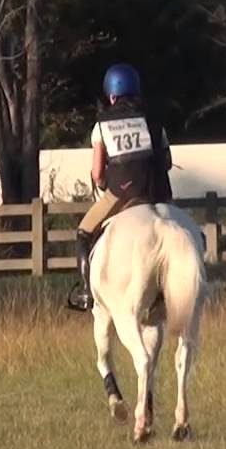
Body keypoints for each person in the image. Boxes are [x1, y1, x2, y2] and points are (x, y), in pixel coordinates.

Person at [66, 63, 174, 312]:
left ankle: (85, 292)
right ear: (137, 92)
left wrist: (103, 183)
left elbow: (97, 173)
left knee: (83, 234)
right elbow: (166, 162)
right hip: (156, 193)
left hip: (120, 193)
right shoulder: (155, 121)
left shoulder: (101, 126)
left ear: (111, 95)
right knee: (191, 233)